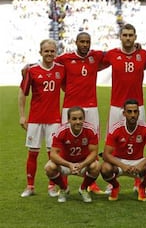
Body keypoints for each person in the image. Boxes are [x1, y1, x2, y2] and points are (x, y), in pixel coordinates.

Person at [102, 23, 146, 192]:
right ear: (120, 37)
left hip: (137, 105)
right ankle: (112, 183)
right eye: (125, 35)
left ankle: (137, 181)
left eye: (130, 35)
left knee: (139, 142)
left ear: (135, 37)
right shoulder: (112, 54)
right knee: (112, 143)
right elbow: (92, 66)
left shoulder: (143, 55)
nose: (128, 38)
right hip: (116, 106)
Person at [55, 32, 107, 195]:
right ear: (76, 42)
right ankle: (63, 183)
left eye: (88, 42)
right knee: (65, 142)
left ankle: (90, 184)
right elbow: (49, 63)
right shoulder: (65, 58)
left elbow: (113, 55)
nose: (85, 44)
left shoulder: (96, 56)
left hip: (91, 106)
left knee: (92, 142)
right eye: (82, 41)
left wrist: (136, 47)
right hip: (70, 106)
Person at [18, 39, 65, 197]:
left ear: (55, 53)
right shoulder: (32, 70)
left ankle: (51, 187)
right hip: (35, 119)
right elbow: (23, 93)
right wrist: (22, 116)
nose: (50, 54)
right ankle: (30, 187)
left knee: (53, 154)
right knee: (33, 153)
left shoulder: (61, 69)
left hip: (54, 120)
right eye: (46, 51)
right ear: (41, 53)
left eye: (52, 51)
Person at [100, 99, 146, 201]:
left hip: (138, 162)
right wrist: (123, 166)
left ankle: (141, 187)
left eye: (135, 111)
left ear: (138, 112)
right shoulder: (116, 128)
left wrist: (140, 165)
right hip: (120, 162)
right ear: (124, 113)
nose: (133, 115)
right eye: (129, 112)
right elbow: (106, 154)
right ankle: (115, 186)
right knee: (105, 168)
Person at [44, 106, 100, 203]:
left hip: (82, 163)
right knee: (49, 167)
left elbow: (94, 152)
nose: (78, 122)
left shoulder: (91, 130)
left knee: (96, 166)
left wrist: (82, 165)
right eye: (74, 119)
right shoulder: (61, 131)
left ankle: (83, 189)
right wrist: (69, 165)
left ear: (84, 119)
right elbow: (53, 154)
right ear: (68, 120)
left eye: (80, 118)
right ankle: (63, 189)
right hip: (65, 164)